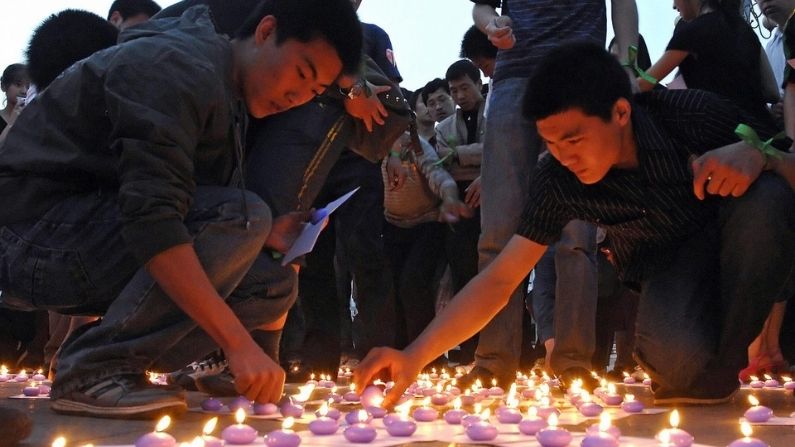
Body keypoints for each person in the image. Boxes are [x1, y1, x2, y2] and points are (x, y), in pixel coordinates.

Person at [355, 42, 795, 407]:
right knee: (676, 365)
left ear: (621, 113)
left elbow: (783, 155)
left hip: (732, 233)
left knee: (769, 199)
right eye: (551, 142)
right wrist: (414, 355)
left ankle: (743, 348)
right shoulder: (559, 179)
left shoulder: (688, 115)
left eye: (575, 138)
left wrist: (764, 156)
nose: (565, 155)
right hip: (669, 264)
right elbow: (500, 280)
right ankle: (707, 353)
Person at [0, 0, 362, 418]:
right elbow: (152, 219)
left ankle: (166, 366)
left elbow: (183, 205)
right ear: (265, 31)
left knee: (272, 282)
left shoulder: (229, 91)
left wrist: (268, 236)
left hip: (85, 234)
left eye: (314, 92)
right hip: (29, 239)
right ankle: (91, 368)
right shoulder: (177, 66)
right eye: (302, 73)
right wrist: (238, 342)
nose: (298, 97)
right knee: (242, 217)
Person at [468, 0, 638, 389]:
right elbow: (480, 6)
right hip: (514, 75)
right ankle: (493, 359)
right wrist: (491, 24)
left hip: (580, 77)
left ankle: (573, 358)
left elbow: (623, 3)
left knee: (577, 236)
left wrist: (626, 63)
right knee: (498, 230)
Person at [641, 0, 779, 122]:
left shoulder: (690, 32)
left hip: (720, 133)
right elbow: (772, 92)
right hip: (763, 131)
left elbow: (643, 85)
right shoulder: (745, 30)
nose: (673, 5)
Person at [0, 64, 29, 142]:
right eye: (18, 84)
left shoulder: (30, 119)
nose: (24, 91)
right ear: (3, 86)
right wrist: (11, 123)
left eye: (28, 86)